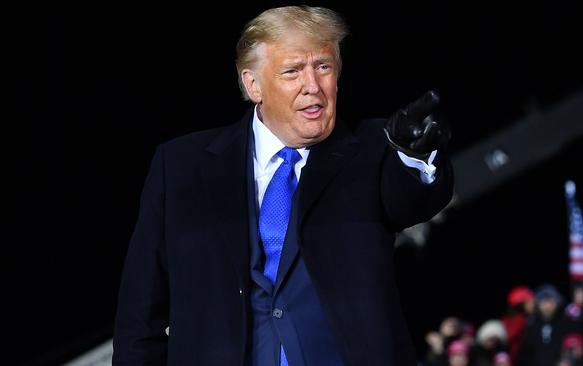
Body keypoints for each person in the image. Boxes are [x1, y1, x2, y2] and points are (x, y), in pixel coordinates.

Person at [112, 5, 453, 366]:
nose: (313, 86)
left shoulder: (371, 149)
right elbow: (140, 314)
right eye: (292, 71)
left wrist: (413, 155)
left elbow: (411, 202)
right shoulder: (181, 167)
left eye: (323, 67)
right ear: (253, 85)